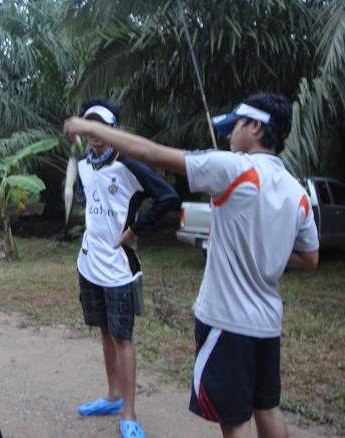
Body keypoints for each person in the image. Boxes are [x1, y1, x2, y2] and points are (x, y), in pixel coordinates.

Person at [64, 92, 319, 438]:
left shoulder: (234, 168)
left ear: (257, 127)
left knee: (235, 421)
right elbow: (310, 258)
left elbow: (153, 154)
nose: (229, 134)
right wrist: (262, 247)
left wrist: (84, 126)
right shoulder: (296, 191)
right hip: (268, 324)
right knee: (268, 409)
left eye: (236, 125)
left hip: (227, 322)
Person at [73, 98, 179, 438]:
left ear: (113, 130)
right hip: (89, 262)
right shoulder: (83, 164)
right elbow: (89, 201)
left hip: (119, 265)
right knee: (104, 329)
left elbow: (167, 196)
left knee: (123, 337)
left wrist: (134, 230)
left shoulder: (129, 163)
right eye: (89, 125)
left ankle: (129, 413)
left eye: (101, 126)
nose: (95, 133)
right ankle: (113, 395)